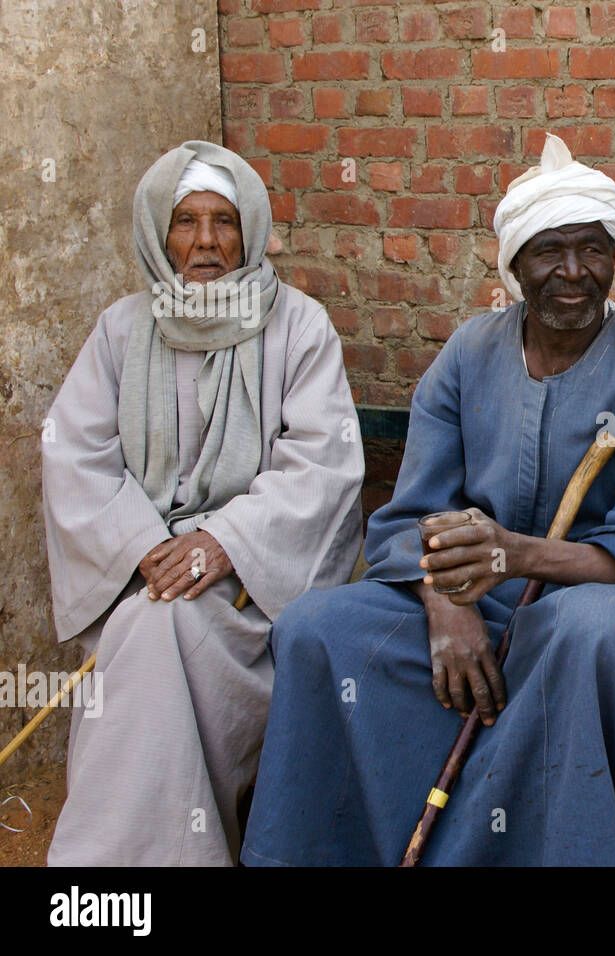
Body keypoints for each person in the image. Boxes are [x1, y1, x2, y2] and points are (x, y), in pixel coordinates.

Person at [241, 133, 615, 867]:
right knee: (317, 627)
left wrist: (518, 555)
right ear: (514, 265)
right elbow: (412, 517)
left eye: (594, 250)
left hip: (607, 601)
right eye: (549, 252)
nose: (574, 273)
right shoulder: (469, 354)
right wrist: (447, 602)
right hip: (478, 593)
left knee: (585, 636)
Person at [42, 141, 365, 865]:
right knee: (149, 625)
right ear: (159, 234)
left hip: (253, 587)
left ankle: (115, 866)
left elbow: (322, 465)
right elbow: (75, 454)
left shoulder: (300, 327)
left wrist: (224, 545)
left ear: (250, 229)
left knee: (158, 634)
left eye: (224, 221)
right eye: (185, 222)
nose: (207, 242)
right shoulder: (122, 330)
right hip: (148, 576)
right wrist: (141, 547)